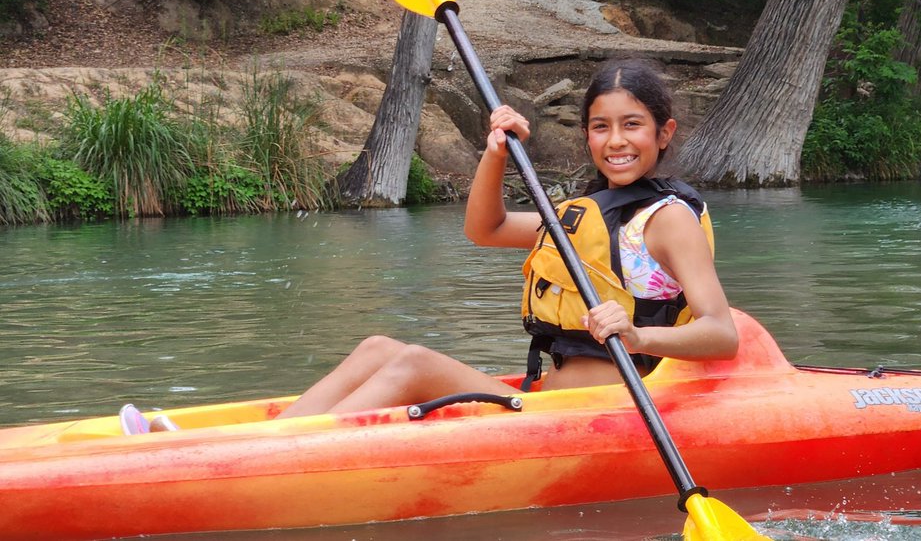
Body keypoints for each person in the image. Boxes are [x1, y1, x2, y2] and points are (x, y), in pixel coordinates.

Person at [123, 59, 739, 428]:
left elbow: (720, 330)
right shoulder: (586, 214)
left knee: (414, 362)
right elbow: (487, 229)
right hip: (550, 400)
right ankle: (273, 440)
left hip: (601, 413)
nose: (616, 141)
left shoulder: (667, 220)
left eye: (632, 125)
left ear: (664, 132)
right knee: (378, 345)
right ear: (585, 135)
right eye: (600, 126)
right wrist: (496, 154)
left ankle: (269, 454)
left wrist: (637, 335)